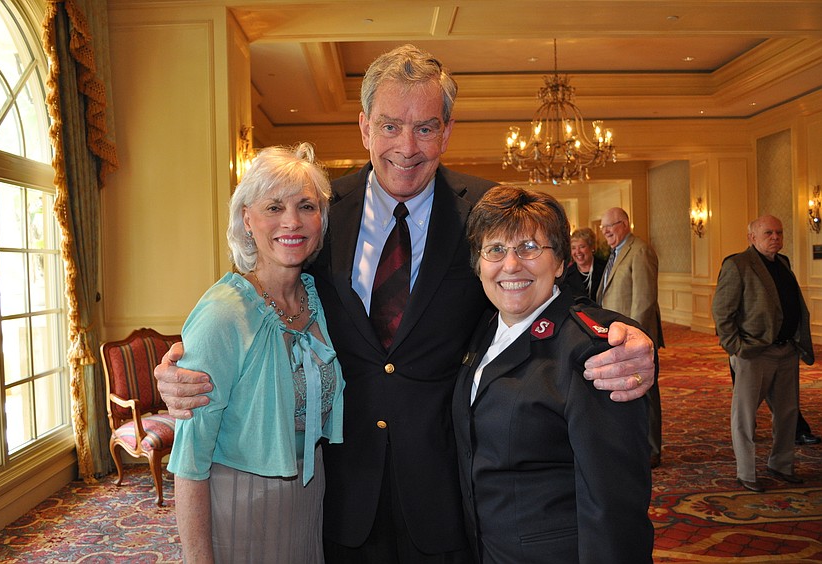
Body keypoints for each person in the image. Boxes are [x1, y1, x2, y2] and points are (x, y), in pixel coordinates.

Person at [157, 44, 657, 563]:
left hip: (447, 492)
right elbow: (259, 299)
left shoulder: (483, 210)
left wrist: (620, 332)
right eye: (391, 126)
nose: (407, 146)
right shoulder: (320, 212)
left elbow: (551, 288)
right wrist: (181, 367)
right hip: (341, 494)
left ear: (447, 130)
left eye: (425, 128)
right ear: (365, 127)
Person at [454, 185, 653, 563]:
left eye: (529, 247)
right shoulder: (482, 330)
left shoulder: (594, 354)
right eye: (495, 249)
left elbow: (614, 502)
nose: (511, 265)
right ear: (479, 263)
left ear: (560, 262)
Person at [166, 143, 345, 563]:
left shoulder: (318, 299)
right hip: (239, 508)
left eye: (306, 206)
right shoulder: (223, 313)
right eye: (274, 207)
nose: (292, 221)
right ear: (247, 218)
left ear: (321, 220)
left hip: (308, 500)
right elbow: (190, 460)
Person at [712, 214, 814, 493]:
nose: (775, 238)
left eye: (779, 233)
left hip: (786, 350)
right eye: (768, 233)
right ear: (752, 237)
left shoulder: (783, 262)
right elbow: (722, 312)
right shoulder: (738, 264)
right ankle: (746, 473)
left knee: (787, 412)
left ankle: (781, 465)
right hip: (754, 353)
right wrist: (736, 348)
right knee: (745, 416)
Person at [597, 206, 664, 468]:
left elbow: (644, 301)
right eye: (603, 229)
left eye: (609, 227)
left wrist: (637, 339)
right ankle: (633, 443)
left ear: (624, 224)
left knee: (646, 393)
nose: (605, 233)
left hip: (635, 338)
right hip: (618, 335)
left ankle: (651, 448)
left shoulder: (640, 250)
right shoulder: (616, 253)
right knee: (628, 392)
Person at [561, 227, 606, 301]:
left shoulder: (605, 268)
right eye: (573, 248)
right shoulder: (566, 274)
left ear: (591, 247)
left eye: (582, 247)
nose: (578, 252)